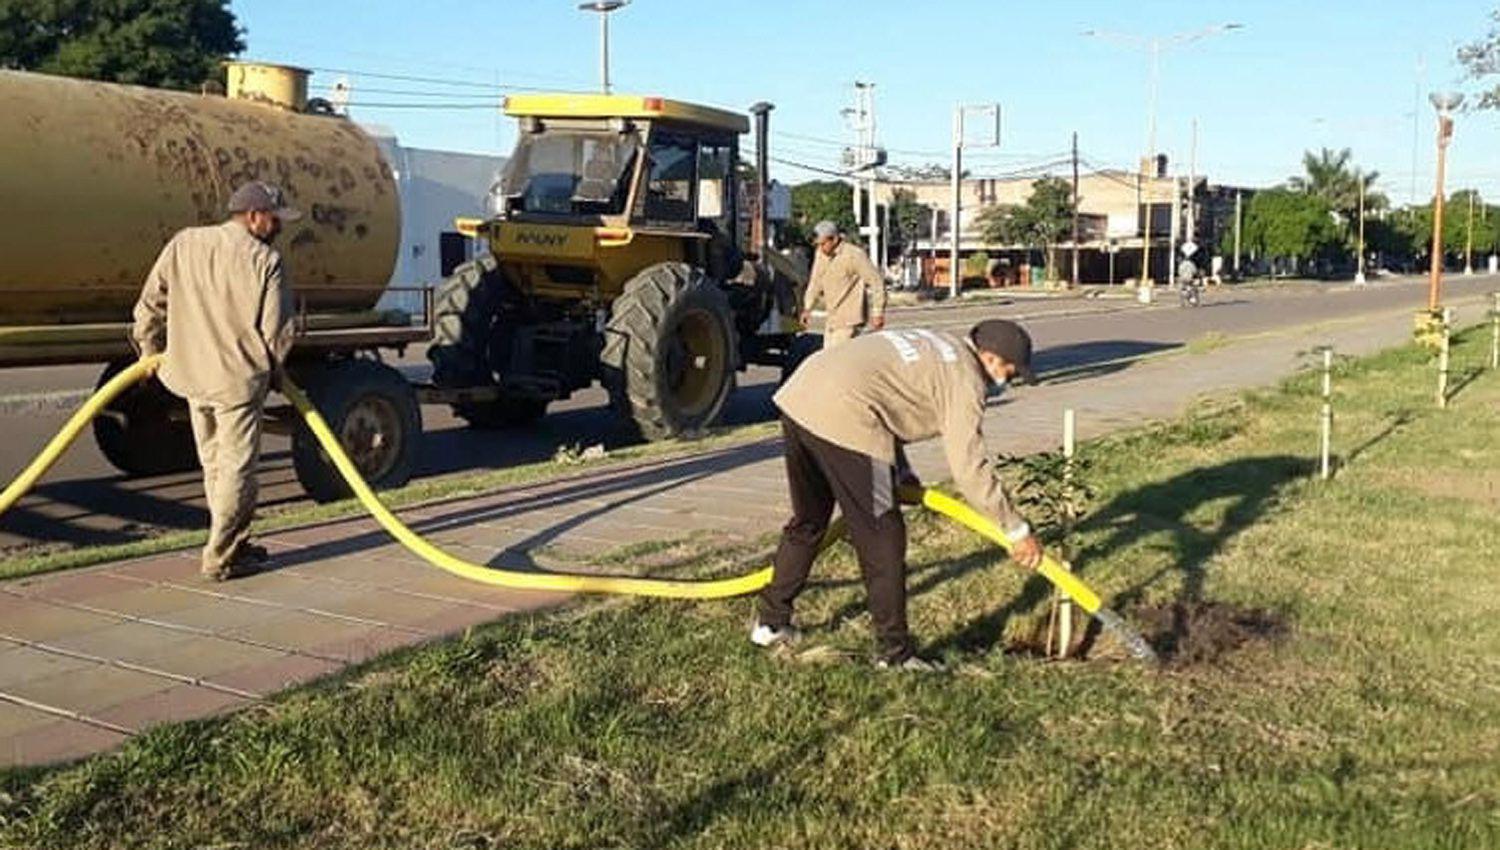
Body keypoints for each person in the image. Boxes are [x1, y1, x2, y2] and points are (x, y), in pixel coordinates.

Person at [753, 319, 1043, 670]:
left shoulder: (938, 341)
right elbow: (969, 468)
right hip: (849, 416)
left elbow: (890, 394)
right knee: (883, 537)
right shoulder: (966, 380)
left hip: (802, 397)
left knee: (809, 520)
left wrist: (902, 471)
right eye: (1011, 374)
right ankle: (894, 654)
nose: (1006, 383)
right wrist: (1015, 530)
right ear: (992, 358)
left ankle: (770, 622)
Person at [131, 181, 299, 581]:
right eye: (275, 219)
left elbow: (150, 302)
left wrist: (149, 350)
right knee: (238, 469)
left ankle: (234, 542)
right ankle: (220, 556)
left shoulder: (184, 243)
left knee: (214, 465)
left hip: (189, 374)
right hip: (237, 382)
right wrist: (275, 374)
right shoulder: (266, 261)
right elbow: (279, 333)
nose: (279, 227)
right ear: (255, 216)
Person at [800, 220, 887, 348]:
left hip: (850, 319)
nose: (820, 248)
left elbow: (876, 282)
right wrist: (808, 308)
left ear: (834, 239)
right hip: (832, 320)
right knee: (829, 360)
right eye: (818, 245)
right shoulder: (821, 255)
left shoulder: (854, 255)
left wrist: (878, 312)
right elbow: (815, 283)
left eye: (823, 244)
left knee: (837, 362)